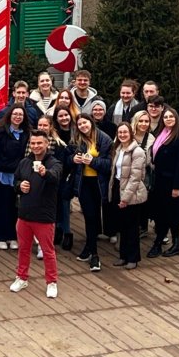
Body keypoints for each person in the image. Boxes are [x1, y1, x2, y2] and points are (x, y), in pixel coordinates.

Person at [10, 129, 61, 298]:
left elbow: (55, 177)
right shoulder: (24, 162)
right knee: (23, 249)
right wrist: (19, 186)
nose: (36, 146)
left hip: (44, 215)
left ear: (47, 143)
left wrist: (44, 173)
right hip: (24, 214)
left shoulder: (54, 163)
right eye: (33, 143)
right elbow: (15, 181)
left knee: (48, 251)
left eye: (39, 143)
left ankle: (51, 282)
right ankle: (22, 277)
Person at [71, 114, 112, 272]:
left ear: (91, 122)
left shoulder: (104, 139)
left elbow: (109, 164)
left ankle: (93, 253)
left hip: (98, 183)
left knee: (95, 216)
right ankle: (90, 249)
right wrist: (74, 159)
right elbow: (68, 157)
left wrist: (93, 162)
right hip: (83, 183)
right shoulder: (77, 139)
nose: (83, 126)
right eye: (80, 124)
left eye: (85, 122)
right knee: (89, 215)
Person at [147, 108, 179, 259]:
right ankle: (168, 243)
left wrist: (176, 187)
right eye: (166, 117)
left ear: (176, 118)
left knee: (171, 214)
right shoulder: (161, 134)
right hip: (160, 181)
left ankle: (166, 244)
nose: (168, 119)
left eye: (171, 116)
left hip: (173, 182)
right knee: (162, 213)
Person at [109, 122, 148, 270]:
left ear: (131, 133)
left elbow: (135, 177)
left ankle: (133, 258)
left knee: (132, 227)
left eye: (125, 132)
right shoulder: (119, 149)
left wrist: (126, 198)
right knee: (122, 226)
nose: (122, 135)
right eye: (120, 133)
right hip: (118, 189)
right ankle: (123, 256)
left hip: (132, 193)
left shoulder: (137, 151)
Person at [0, 104, 30, 250]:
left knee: (15, 208)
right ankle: (0, 236)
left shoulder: (27, 133)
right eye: (15, 114)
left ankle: (13, 236)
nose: (18, 117)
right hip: (2, 174)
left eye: (20, 114)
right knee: (1, 206)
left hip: (18, 175)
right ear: (9, 115)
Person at [41, 110, 75, 251]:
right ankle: (57, 231)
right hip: (42, 180)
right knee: (52, 208)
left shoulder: (58, 143)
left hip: (59, 179)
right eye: (40, 125)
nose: (43, 128)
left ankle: (66, 232)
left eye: (45, 125)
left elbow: (62, 163)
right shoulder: (34, 140)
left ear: (51, 127)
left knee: (64, 205)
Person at [131, 109, 155, 236]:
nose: (144, 124)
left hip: (144, 174)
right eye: (141, 121)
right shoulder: (128, 134)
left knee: (143, 201)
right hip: (128, 173)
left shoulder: (151, 138)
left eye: (146, 121)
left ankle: (143, 227)